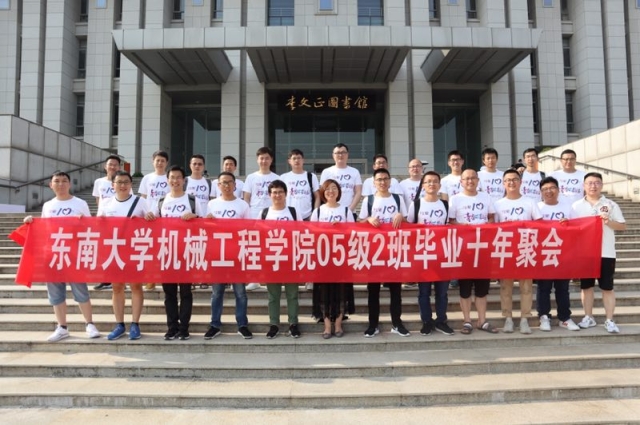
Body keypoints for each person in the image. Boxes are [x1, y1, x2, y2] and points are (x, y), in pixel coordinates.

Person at [23, 171, 101, 342]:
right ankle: (62, 327)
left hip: (74, 254)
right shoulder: (48, 205)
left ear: (69, 184)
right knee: (56, 293)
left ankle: (89, 324)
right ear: (51, 185)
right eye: (56, 181)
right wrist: (31, 222)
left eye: (64, 181)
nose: (60, 184)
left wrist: (83, 221)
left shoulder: (80, 203)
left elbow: (91, 228)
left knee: (81, 290)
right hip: (53, 254)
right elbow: (44, 228)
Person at [145, 165, 204, 340]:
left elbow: (204, 222)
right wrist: (148, 217)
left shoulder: (192, 200)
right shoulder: (161, 201)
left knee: (186, 292)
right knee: (169, 293)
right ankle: (172, 327)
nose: (175, 181)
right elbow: (152, 220)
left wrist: (194, 217)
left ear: (184, 180)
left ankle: (184, 328)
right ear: (167, 180)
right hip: (166, 252)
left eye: (178, 177)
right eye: (172, 177)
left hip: (186, 251)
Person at [96, 170, 149, 340]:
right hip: (114, 250)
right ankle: (119, 324)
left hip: (134, 250)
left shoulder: (140, 202)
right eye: (119, 182)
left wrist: (148, 219)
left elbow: (152, 223)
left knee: (136, 286)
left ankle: (135, 324)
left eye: (126, 182)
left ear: (131, 184)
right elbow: (98, 225)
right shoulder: (106, 203)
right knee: (117, 287)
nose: (123, 185)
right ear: (113, 185)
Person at [572, 172, 626, 333]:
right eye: (589, 183)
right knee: (586, 287)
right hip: (585, 253)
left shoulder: (610, 204)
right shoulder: (576, 206)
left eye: (596, 183)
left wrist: (608, 222)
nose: (593, 186)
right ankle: (588, 317)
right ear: (584, 186)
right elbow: (571, 229)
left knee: (607, 287)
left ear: (602, 185)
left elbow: (622, 226)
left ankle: (609, 320)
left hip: (606, 252)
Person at [359, 168, 410, 338]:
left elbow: (407, 220)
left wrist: (401, 216)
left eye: (385, 179)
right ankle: (373, 325)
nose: (382, 182)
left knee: (396, 290)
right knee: (373, 291)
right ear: (374, 182)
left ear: (390, 181)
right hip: (374, 251)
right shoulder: (369, 200)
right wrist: (368, 219)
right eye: (379, 179)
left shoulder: (397, 198)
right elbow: (360, 222)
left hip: (394, 250)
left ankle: (397, 323)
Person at [203, 172, 253, 340]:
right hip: (218, 254)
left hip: (237, 253)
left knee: (240, 293)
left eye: (229, 182)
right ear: (218, 186)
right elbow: (206, 230)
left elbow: (249, 229)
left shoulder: (243, 205)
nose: (226, 185)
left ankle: (242, 324)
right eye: (223, 182)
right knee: (217, 292)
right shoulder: (212, 204)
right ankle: (215, 324)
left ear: (235, 185)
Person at [448, 168, 497, 335]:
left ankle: (482, 320)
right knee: (465, 288)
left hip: (483, 248)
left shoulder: (486, 197)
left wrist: (487, 225)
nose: (470, 181)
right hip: (464, 249)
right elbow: (450, 221)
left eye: (473, 178)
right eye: (466, 178)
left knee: (482, 288)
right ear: (461, 182)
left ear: (478, 180)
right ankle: (467, 320)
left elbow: (491, 217)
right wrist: (463, 227)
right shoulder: (455, 199)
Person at [494, 168, 543, 334]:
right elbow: (493, 229)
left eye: (515, 179)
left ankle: (524, 319)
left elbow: (540, 224)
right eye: (508, 180)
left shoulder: (530, 202)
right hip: (506, 250)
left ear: (521, 182)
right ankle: (508, 318)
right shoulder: (498, 204)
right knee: (505, 287)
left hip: (525, 249)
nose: (511, 183)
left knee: (526, 287)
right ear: (503, 183)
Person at [407, 171, 454, 336]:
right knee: (424, 292)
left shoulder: (445, 205)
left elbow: (451, 226)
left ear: (439, 185)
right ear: (423, 186)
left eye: (435, 181)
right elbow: (410, 228)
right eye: (428, 182)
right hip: (423, 255)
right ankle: (426, 321)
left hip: (442, 254)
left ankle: (441, 320)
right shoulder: (416, 204)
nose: (431, 184)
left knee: (442, 292)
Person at [310, 179, 355, 339]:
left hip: (341, 258)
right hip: (323, 258)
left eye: (334, 188)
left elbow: (353, 233)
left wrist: (341, 227)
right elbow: (312, 234)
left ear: (339, 192)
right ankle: (327, 325)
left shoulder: (346, 211)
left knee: (341, 291)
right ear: (323, 192)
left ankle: (338, 324)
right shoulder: (318, 212)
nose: (331, 191)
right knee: (324, 292)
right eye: (327, 189)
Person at [536, 176, 580, 331]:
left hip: (563, 253)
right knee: (544, 288)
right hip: (543, 253)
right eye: (545, 189)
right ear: (541, 192)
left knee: (562, 288)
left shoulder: (568, 207)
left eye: (552, 188)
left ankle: (565, 318)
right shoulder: (537, 207)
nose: (549, 191)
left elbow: (577, 228)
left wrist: (568, 224)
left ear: (558, 189)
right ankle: (544, 317)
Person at [261, 180, 302, 339]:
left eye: (280, 192)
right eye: (274, 192)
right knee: (273, 295)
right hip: (271, 259)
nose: (277, 195)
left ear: (286, 194)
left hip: (290, 258)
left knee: (292, 294)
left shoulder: (293, 212)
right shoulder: (264, 213)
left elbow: (301, 233)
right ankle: (274, 324)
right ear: (269, 195)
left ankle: (293, 323)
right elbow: (258, 234)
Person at [243, 147, 280, 291]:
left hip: (272, 217)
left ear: (271, 160)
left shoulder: (277, 178)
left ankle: (273, 277)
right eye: (261, 158)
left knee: (272, 248)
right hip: (254, 217)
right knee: (255, 249)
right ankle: (255, 279)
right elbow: (246, 198)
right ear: (257, 160)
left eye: (267, 158)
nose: (264, 161)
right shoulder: (251, 177)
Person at [92, 154, 124, 291]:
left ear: (119, 167)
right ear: (105, 166)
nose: (112, 167)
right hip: (104, 221)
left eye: (115, 165)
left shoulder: (123, 181)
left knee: (119, 251)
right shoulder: (99, 182)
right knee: (104, 251)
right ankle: (105, 280)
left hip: (119, 221)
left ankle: (120, 279)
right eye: (110, 164)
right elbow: (98, 200)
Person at [138, 150, 170, 291]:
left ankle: (166, 278)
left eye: (163, 161)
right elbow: (143, 198)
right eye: (157, 160)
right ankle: (150, 279)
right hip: (149, 219)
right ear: (153, 162)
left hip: (165, 219)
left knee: (166, 249)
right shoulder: (147, 178)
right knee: (150, 250)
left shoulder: (170, 178)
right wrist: (143, 214)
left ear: (166, 163)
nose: (160, 163)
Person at [320, 143, 363, 215]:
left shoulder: (354, 172)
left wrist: (349, 210)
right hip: (330, 212)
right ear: (333, 155)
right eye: (337, 153)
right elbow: (322, 192)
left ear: (347, 154)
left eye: (343, 152)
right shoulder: (326, 172)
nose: (340, 155)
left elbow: (358, 192)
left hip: (350, 211)